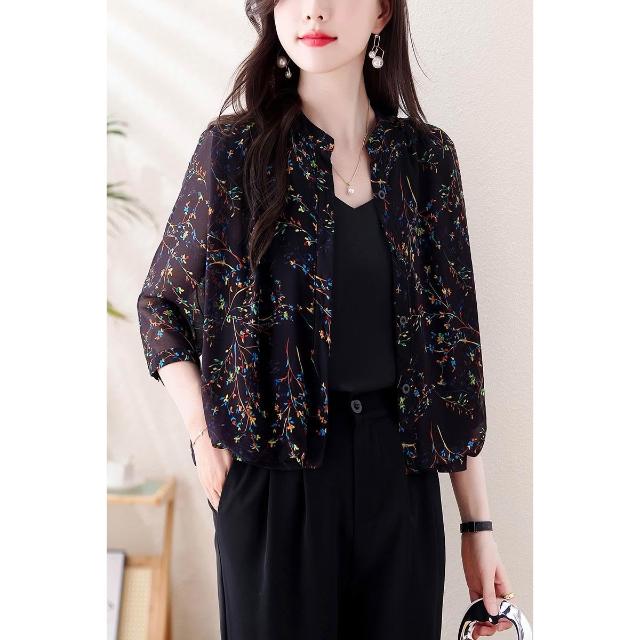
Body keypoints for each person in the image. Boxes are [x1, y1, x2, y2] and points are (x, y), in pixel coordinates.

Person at [137, 1, 515, 638]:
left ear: (382, 13)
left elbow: (453, 359)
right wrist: (203, 434)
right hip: (274, 481)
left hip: (401, 479)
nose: (314, 10)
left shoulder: (425, 162)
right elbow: (161, 306)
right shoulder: (233, 153)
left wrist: (477, 525)